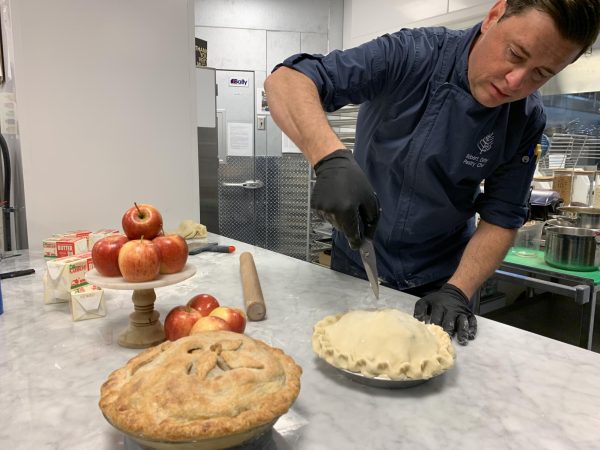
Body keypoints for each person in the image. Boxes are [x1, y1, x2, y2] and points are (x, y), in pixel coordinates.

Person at [264, 0, 600, 345]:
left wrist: (458, 290)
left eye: (541, 74)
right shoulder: (411, 54)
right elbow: (287, 80)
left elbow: (503, 216)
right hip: (359, 260)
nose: (516, 81)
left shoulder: (526, 119)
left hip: (445, 279)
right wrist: (330, 159)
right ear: (494, 16)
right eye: (515, 54)